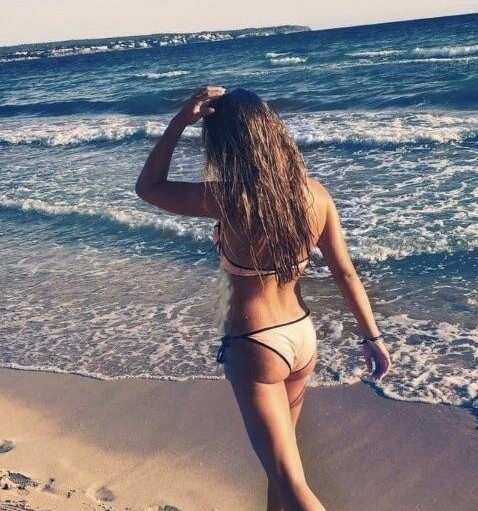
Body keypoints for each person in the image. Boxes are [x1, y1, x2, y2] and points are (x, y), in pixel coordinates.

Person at [135, 85, 392, 511]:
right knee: (281, 472)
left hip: (256, 345)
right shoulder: (315, 193)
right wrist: (372, 337)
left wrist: (181, 121)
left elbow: (149, 186)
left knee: (290, 481)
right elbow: (346, 272)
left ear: (226, 146)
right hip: (301, 337)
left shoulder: (229, 199)